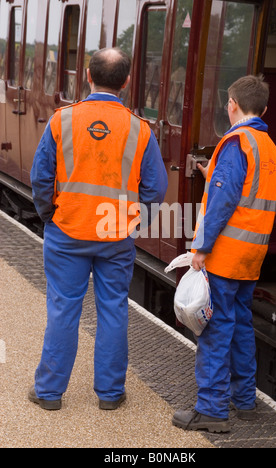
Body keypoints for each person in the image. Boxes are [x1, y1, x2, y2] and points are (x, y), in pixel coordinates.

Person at [29, 48, 168, 411]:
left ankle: (49, 393)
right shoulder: (140, 129)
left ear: (87, 77)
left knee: (63, 309)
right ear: (125, 82)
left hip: (67, 231)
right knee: (113, 309)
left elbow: (41, 178)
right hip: (115, 236)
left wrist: (51, 216)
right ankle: (109, 394)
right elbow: (155, 187)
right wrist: (132, 222)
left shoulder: (62, 120)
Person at [172, 75, 276, 433]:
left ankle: (211, 410)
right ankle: (245, 400)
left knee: (213, 329)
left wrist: (201, 249)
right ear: (264, 109)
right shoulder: (272, 151)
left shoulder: (237, 142)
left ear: (232, 104)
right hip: (252, 257)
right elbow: (249, 196)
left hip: (225, 255)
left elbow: (223, 203)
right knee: (239, 324)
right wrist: (214, 176)